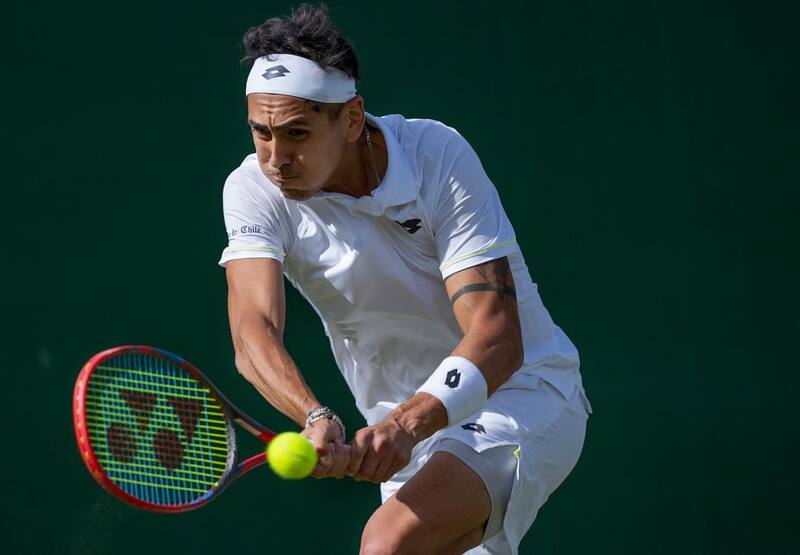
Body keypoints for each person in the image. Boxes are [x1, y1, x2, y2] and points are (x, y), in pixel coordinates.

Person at [219, 4, 592, 554]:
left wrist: (406, 424)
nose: (277, 158)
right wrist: (314, 414)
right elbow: (253, 332)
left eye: (296, 132)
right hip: (405, 440)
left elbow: (496, 337)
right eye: (262, 133)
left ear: (349, 119)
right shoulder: (253, 189)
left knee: (387, 542)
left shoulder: (435, 155)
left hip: (524, 395)